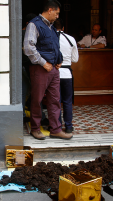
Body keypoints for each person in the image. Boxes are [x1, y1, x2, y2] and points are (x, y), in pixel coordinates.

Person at [24, 0, 72, 140]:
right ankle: (35, 128)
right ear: (50, 10)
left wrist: (59, 60)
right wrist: (43, 63)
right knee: (37, 100)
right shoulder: (34, 24)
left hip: (53, 70)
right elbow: (28, 48)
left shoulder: (51, 27)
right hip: (40, 69)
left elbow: (55, 47)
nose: (57, 16)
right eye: (56, 13)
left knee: (55, 100)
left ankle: (56, 129)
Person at [54, 18, 79, 134]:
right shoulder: (71, 39)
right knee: (68, 101)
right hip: (67, 74)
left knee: (56, 101)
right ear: (63, 28)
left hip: (55, 73)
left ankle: (57, 126)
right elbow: (75, 59)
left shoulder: (51, 39)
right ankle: (69, 126)